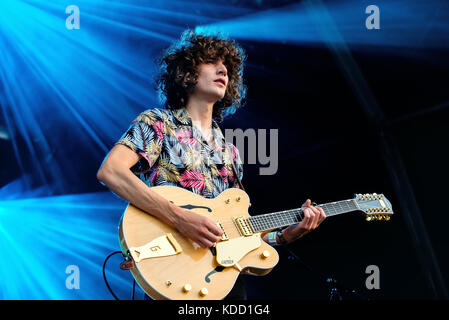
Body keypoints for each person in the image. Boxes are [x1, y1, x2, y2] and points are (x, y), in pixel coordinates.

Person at [96, 30, 326, 300]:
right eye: (211, 62)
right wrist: (179, 217)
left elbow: (238, 236)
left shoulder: (230, 152)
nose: (223, 70)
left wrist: (287, 235)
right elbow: (111, 171)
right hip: (172, 271)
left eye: (227, 67)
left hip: (220, 283)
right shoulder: (158, 123)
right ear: (186, 73)